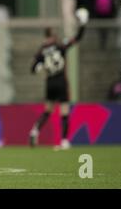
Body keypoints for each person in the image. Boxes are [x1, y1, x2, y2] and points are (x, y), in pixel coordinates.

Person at [29, 10, 88, 150]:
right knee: (64, 111)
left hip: (49, 82)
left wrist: (39, 67)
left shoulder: (41, 51)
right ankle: (64, 141)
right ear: (53, 36)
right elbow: (77, 38)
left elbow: (32, 69)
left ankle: (35, 130)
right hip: (61, 81)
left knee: (48, 110)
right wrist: (83, 24)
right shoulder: (60, 46)